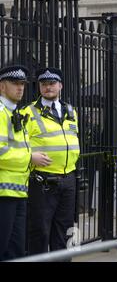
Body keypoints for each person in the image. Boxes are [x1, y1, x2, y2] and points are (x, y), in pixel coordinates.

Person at [25, 67, 81, 255]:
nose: (48, 87)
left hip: (68, 179)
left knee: (64, 230)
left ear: (60, 86)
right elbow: (18, 143)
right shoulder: (28, 112)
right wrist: (29, 156)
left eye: (52, 83)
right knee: (39, 230)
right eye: (44, 84)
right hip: (43, 181)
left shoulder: (71, 111)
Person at [0, 65, 37, 261]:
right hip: (3, 192)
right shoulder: (1, 113)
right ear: (2, 87)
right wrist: (30, 158)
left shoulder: (15, 112)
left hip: (18, 190)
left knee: (15, 250)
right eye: (15, 83)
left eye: (22, 84)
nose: (20, 88)